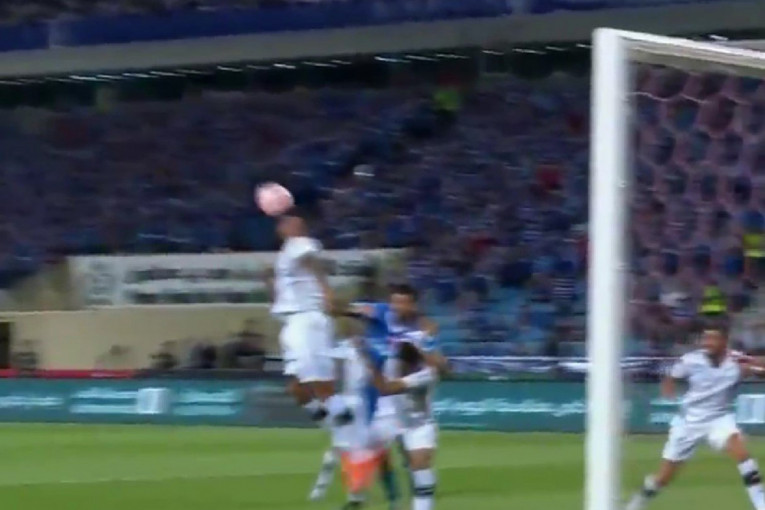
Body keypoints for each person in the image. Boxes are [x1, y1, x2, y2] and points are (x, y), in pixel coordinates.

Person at [625, 322, 765, 510]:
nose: (708, 342)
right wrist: (668, 387)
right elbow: (671, 375)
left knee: (742, 454)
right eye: (706, 338)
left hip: (718, 419)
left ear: (724, 341)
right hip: (689, 422)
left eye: (713, 338)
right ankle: (637, 502)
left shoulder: (736, 360)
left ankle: (760, 504)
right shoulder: (691, 360)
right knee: (663, 478)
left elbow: (759, 368)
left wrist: (756, 369)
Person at [266, 207, 350, 425]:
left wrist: (327, 292)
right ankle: (319, 410)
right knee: (296, 384)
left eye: (291, 221)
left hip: (307, 317)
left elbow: (314, 266)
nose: (285, 225)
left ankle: (342, 412)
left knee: (315, 371)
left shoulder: (301, 244)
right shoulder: (286, 252)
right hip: (292, 321)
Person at [356, 339, 439, 510]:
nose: (396, 367)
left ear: (411, 364)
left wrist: (370, 361)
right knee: (373, 451)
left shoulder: (426, 375)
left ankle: (424, 499)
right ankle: (392, 495)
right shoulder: (395, 366)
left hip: (420, 427)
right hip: (398, 422)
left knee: (419, 468)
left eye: (400, 364)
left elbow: (386, 388)